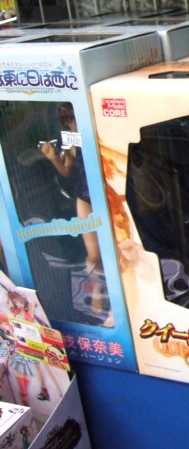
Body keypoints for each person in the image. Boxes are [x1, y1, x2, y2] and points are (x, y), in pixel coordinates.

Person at [40, 103, 109, 321]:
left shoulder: (99, 133)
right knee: (93, 254)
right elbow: (66, 172)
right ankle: (96, 298)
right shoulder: (73, 142)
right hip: (85, 196)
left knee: (115, 248)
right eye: (68, 121)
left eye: (73, 119)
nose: (72, 125)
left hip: (106, 194)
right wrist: (52, 158)